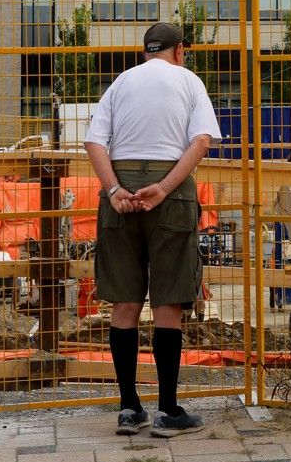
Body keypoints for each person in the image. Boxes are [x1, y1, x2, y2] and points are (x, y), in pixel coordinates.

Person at [83, 22, 222, 438]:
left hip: (121, 189)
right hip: (170, 191)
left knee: (124, 304)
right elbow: (201, 142)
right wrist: (163, 187)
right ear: (179, 51)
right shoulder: (189, 81)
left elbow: (94, 142)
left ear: (145, 51)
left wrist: (113, 190)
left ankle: (129, 408)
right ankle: (167, 411)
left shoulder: (121, 83)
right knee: (168, 304)